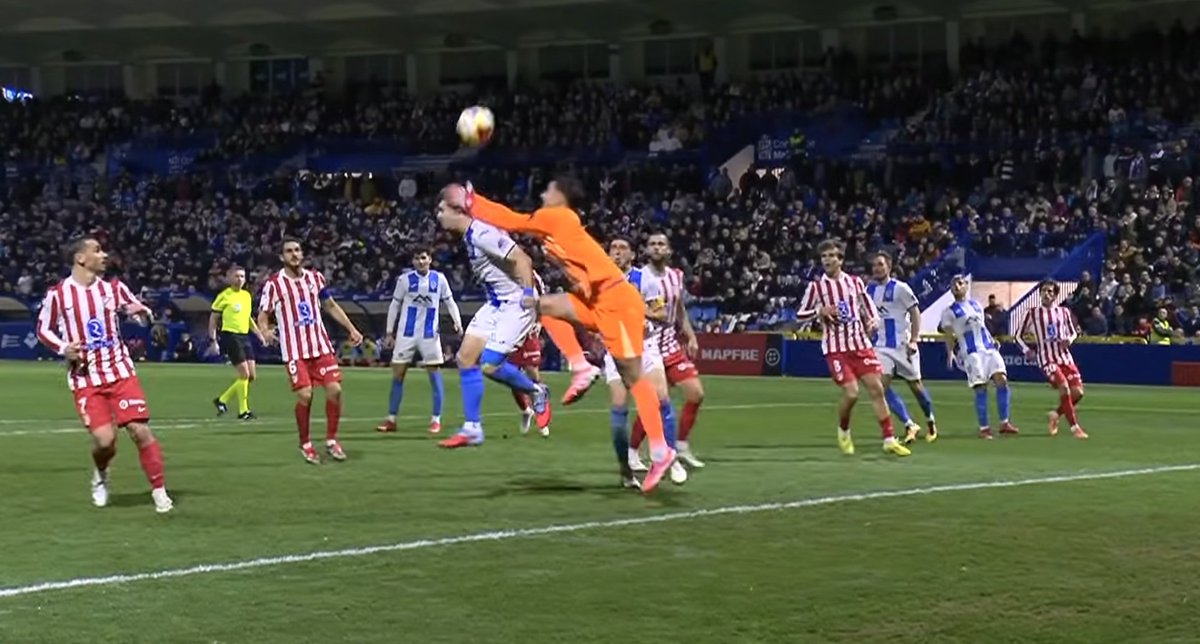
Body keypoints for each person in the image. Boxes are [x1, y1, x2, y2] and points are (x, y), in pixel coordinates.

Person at [442, 177, 676, 492]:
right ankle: (580, 366)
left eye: (548, 190)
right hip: (598, 301)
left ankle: (661, 451)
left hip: (618, 302)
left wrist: (473, 201)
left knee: (634, 378)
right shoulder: (560, 226)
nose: (542, 193)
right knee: (542, 306)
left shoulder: (558, 216)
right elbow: (581, 269)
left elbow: (513, 220)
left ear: (560, 196)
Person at [35, 237, 173, 513]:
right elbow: (43, 330)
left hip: (120, 371)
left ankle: (159, 491)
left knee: (139, 430)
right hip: (86, 378)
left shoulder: (114, 288)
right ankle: (101, 473)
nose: (104, 255)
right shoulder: (59, 294)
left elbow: (138, 310)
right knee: (104, 441)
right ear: (80, 258)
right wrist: (64, 348)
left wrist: (149, 318)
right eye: (97, 250)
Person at [433, 200, 550, 448]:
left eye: (443, 209)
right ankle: (473, 428)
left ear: (458, 212)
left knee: (488, 364)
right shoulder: (470, 236)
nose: (438, 215)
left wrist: (529, 292)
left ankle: (536, 390)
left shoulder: (483, 233)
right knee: (465, 358)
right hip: (496, 303)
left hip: (517, 303)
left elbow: (522, 259)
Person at [796, 239, 911, 457]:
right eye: (824, 257)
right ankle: (844, 429)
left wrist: (873, 320)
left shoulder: (855, 282)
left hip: (860, 344)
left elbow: (865, 303)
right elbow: (799, 314)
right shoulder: (817, 287)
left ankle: (888, 439)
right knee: (852, 394)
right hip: (836, 348)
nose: (827, 260)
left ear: (840, 260)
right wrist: (819, 311)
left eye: (831, 256)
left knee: (877, 389)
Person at [258, 238, 365, 464]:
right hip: (295, 351)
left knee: (335, 390)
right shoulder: (275, 284)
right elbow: (263, 313)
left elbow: (330, 305)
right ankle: (305, 443)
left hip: (320, 346)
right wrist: (264, 331)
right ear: (281, 257)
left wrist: (351, 328)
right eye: (289, 251)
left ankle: (331, 440)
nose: (294, 254)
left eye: (297, 250)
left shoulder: (315, 278)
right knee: (305, 394)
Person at [601, 237, 687, 489]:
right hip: (616, 348)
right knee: (619, 409)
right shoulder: (600, 281)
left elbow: (661, 313)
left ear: (631, 256)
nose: (617, 252)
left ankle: (671, 459)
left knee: (661, 399)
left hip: (645, 346)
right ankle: (625, 471)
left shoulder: (644, 279)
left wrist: (638, 310)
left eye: (622, 249)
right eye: (613, 248)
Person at [629, 233, 706, 470]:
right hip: (649, 347)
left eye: (661, 244)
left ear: (669, 250)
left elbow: (679, 310)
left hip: (671, 346)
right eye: (652, 244)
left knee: (695, 393)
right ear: (646, 250)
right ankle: (632, 452)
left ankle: (681, 445)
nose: (656, 247)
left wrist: (690, 336)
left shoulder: (677, 276)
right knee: (653, 403)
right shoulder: (639, 277)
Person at [376, 249, 463, 435]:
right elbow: (395, 305)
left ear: (430, 259)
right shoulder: (404, 280)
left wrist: (458, 322)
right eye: (417, 258)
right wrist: (389, 332)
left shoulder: (439, 279)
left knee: (434, 375)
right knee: (398, 375)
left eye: (423, 257)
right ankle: (391, 419)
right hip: (405, 335)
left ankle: (435, 420)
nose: (420, 261)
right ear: (413, 261)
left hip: (429, 335)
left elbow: (450, 302)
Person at [865, 252, 938, 444]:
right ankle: (909, 424)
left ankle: (930, 420)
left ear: (889, 266)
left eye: (880, 264)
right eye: (874, 265)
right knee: (879, 388)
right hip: (881, 347)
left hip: (903, 346)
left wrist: (914, 339)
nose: (877, 268)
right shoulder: (868, 290)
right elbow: (868, 317)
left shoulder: (901, 288)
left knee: (916, 387)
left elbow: (915, 313)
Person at [939, 275, 1019, 439]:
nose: (957, 286)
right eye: (953, 284)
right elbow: (948, 335)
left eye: (960, 283)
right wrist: (950, 353)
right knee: (980, 387)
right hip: (971, 353)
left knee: (1002, 380)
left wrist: (992, 339)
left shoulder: (976, 305)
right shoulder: (948, 312)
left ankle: (1004, 423)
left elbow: (982, 326)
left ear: (966, 286)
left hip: (989, 349)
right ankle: (984, 428)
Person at [1016, 280, 1088, 439]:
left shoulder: (1064, 312)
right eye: (1044, 291)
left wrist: (1070, 340)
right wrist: (1027, 350)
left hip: (1065, 357)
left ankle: (1055, 414)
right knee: (1064, 386)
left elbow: (1073, 332)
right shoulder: (1032, 313)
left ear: (1055, 295)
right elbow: (1018, 336)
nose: (1046, 294)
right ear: (1040, 293)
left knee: (1078, 393)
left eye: (1050, 291)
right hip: (1047, 359)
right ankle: (1075, 428)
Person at [209, 266, 265, 420]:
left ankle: (222, 400)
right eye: (236, 276)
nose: (239, 279)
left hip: (244, 336)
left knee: (251, 376)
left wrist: (259, 334)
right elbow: (213, 318)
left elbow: (248, 318)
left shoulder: (246, 296)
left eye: (242, 276)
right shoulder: (224, 296)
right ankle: (243, 411)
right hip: (230, 336)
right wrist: (213, 340)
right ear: (229, 278)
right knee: (244, 374)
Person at [507, 272, 549, 437]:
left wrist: (539, 322)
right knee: (510, 374)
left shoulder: (534, 278)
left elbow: (542, 302)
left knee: (533, 373)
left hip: (529, 331)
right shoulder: (501, 275)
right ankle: (526, 410)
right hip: (510, 331)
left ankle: (541, 417)